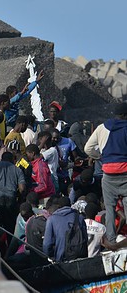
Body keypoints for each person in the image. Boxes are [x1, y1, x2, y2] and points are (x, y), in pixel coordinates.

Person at [85, 102, 127, 242]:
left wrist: (101, 157)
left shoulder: (101, 128)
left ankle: (111, 238)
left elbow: (88, 149)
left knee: (110, 208)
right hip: (125, 172)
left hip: (108, 174)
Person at [0, 152, 26, 250]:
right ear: (12, 159)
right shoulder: (17, 170)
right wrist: (19, 200)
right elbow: (22, 188)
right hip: (10, 200)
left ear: (2, 159)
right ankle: (9, 256)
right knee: (10, 229)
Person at [43, 196, 88, 262]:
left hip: (62, 258)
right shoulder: (79, 217)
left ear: (58, 206)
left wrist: (51, 256)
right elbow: (85, 238)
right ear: (70, 205)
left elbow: (47, 244)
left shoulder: (52, 219)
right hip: (80, 257)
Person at [51, 128, 79, 195]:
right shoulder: (49, 145)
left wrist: (74, 163)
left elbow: (75, 157)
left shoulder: (68, 141)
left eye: (58, 138)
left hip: (65, 174)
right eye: (54, 138)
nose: (56, 140)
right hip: (54, 175)